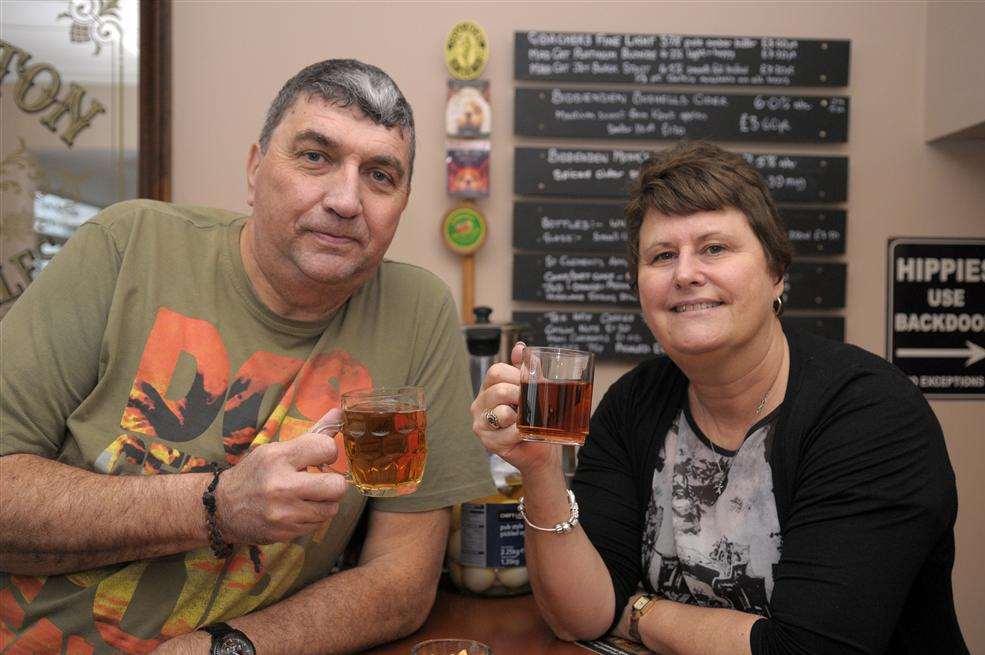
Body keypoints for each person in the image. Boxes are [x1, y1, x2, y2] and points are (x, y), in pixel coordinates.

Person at [0, 59, 495, 654]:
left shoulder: (417, 312)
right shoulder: (127, 245)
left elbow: (402, 581)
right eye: (315, 156)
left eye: (380, 175)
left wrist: (226, 647)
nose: (345, 199)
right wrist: (216, 505)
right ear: (256, 169)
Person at [472, 141, 967, 654]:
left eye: (714, 248)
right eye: (662, 256)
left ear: (777, 271)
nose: (685, 274)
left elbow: (807, 650)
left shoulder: (870, 415)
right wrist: (539, 469)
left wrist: (638, 611)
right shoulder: (633, 404)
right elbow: (581, 615)